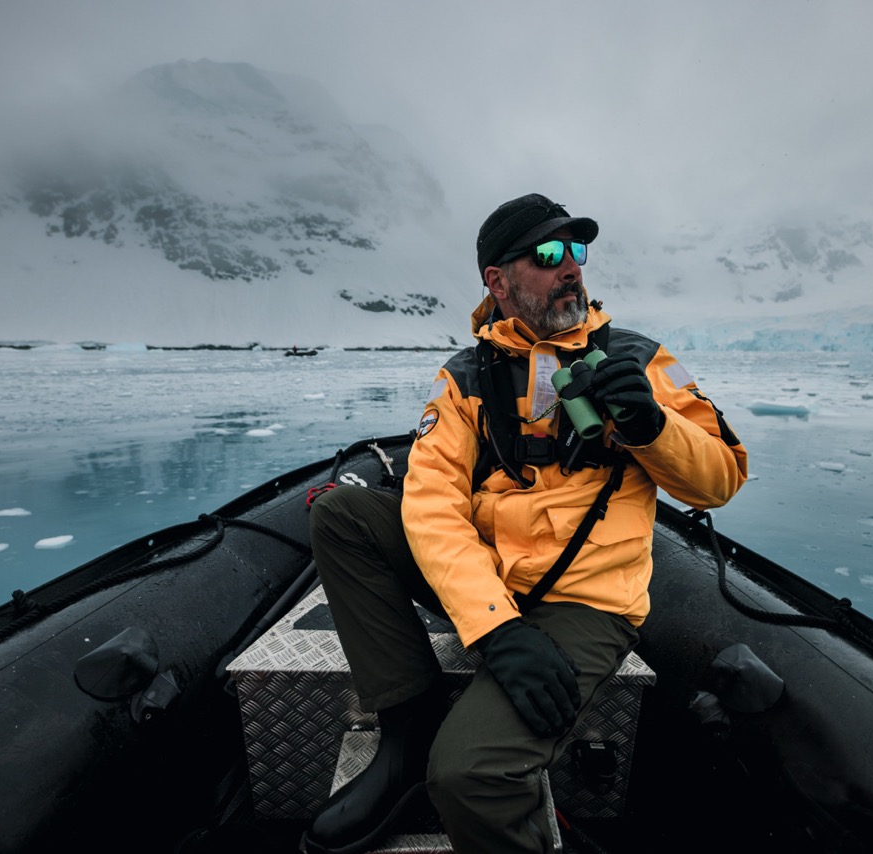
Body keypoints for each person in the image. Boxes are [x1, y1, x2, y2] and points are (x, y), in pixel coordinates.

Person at [303, 193, 749, 854]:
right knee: (344, 514)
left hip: (585, 600)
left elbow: (720, 480)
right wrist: (494, 624)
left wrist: (655, 428)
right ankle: (407, 730)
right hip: (492, 584)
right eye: (548, 253)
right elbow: (431, 505)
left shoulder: (640, 359)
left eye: (577, 251)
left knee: (469, 777)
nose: (570, 267)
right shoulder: (465, 379)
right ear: (499, 281)